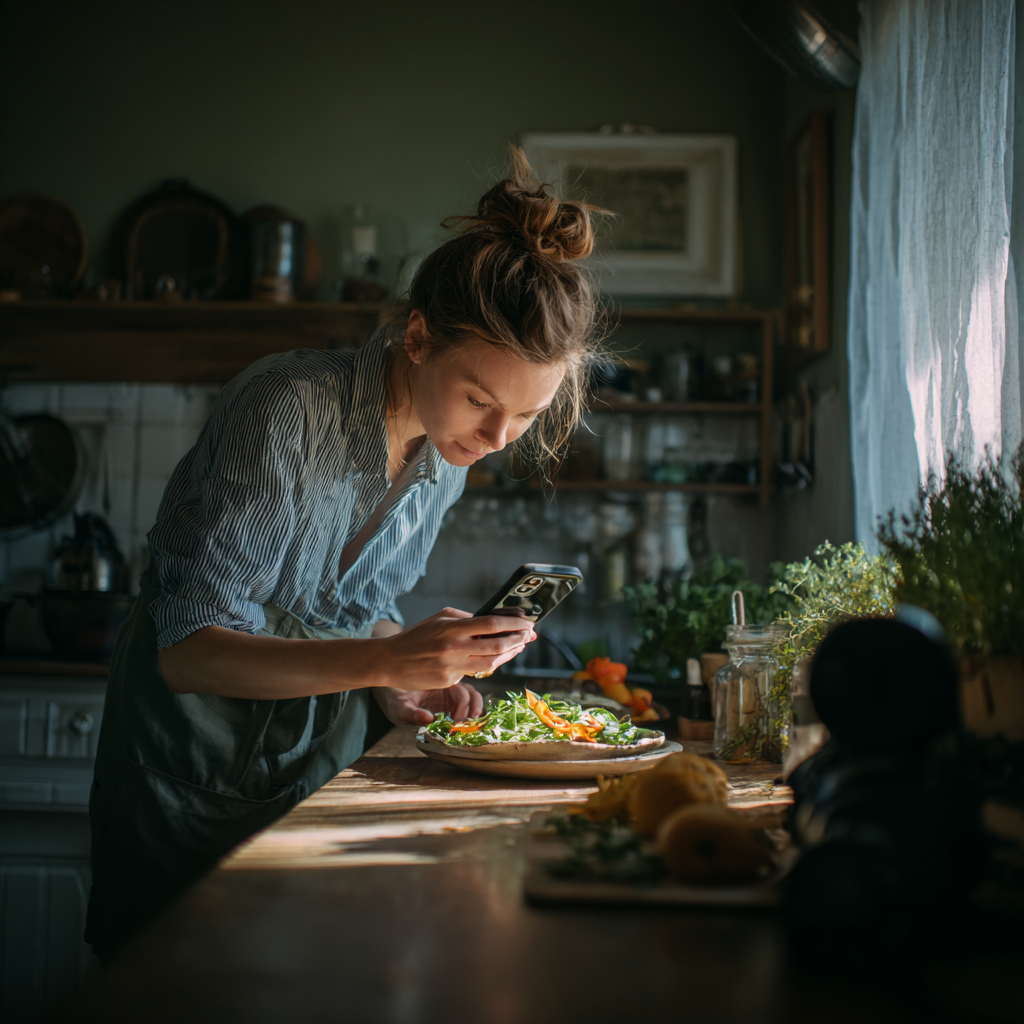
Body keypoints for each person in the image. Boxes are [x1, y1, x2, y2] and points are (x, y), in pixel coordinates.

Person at [85, 150, 605, 960]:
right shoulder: (284, 409)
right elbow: (189, 655)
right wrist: (386, 655)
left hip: (315, 774)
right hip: (192, 776)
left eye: (526, 416)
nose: (498, 438)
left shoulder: (445, 458)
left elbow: (356, 618)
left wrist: (400, 683)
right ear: (420, 335)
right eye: (480, 398)